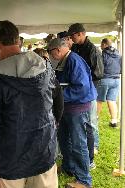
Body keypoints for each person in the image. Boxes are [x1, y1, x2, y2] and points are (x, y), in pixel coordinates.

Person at [0, 20, 58, 188]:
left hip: (9, 163)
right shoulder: (46, 67)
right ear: (17, 40)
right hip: (44, 154)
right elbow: (58, 106)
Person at [48, 38, 96, 188]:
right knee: (64, 140)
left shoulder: (74, 60)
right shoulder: (65, 60)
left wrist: (58, 96)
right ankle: (69, 167)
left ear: (57, 50)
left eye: (50, 53)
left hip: (77, 108)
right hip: (67, 108)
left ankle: (83, 180)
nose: (50, 56)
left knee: (78, 143)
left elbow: (82, 87)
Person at [68, 23, 103, 162]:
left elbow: (98, 73)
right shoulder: (75, 48)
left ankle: (94, 147)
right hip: (78, 91)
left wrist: (83, 81)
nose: (71, 38)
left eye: (72, 36)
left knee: (91, 121)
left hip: (89, 90)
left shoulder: (92, 49)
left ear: (80, 34)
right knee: (84, 122)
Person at [97, 38, 121, 127]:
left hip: (105, 79)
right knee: (112, 100)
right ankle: (114, 121)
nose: (100, 46)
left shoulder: (103, 54)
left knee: (98, 99)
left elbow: (99, 67)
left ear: (104, 44)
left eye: (101, 44)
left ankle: (95, 118)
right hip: (116, 79)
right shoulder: (118, 54)